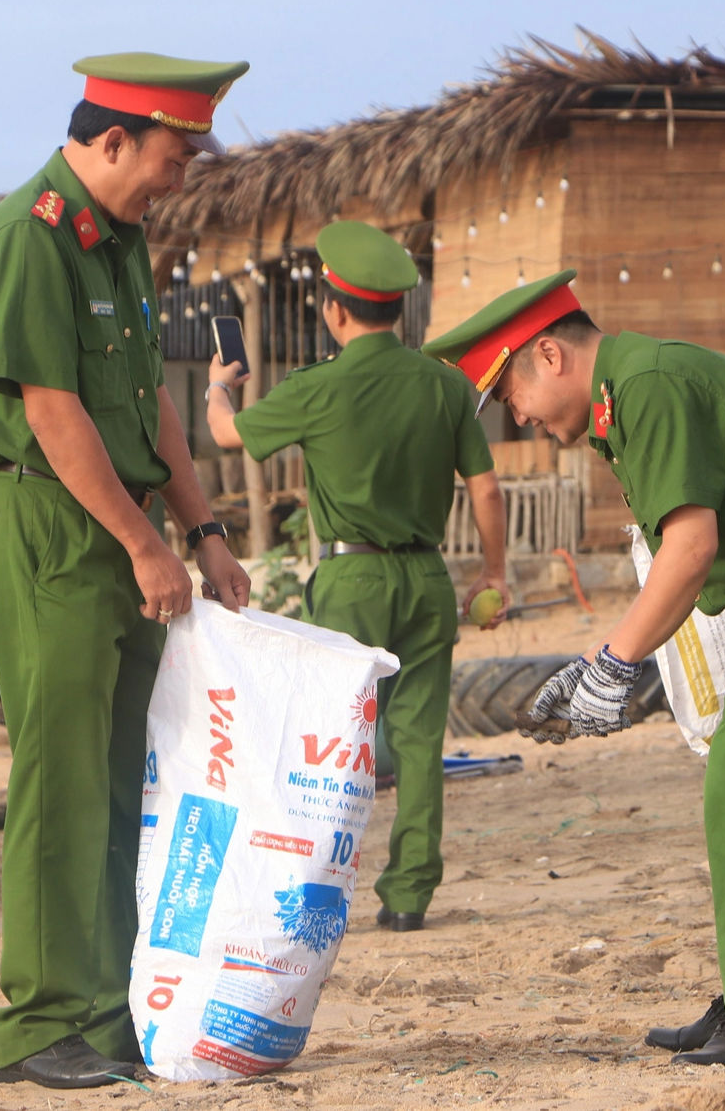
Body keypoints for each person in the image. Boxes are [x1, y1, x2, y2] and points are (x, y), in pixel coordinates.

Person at [423, 272, 725, 1066]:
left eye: (508, 391)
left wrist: (611, 666)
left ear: (548, 354)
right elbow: (678, 561)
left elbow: (689, 552)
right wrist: (598, 661)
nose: (513, 414)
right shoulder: (635, 387)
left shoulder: (643, 384)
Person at [0, 52, 254, 1090]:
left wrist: (201, 528)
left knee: (123, 782)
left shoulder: (115, 243)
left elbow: (146, 402)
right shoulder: (28, 240)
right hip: (51, 527)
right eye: (170, 159)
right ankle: (39, 1023)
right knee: (61, 783)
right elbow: (51, 411)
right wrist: (140, 542)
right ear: (112, 140)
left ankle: (108, 1010)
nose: (176, 181)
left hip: (120, 528)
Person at [206, 220, 510, 932]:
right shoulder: (444, 385)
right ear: (399, 311)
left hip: (350, 582)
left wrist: (221, 388)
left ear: (334, 311)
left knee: (332, 743)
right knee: (418, 740)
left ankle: (316, 885)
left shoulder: (320, 386)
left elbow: (224, 435)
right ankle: (408, 896)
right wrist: (492, 571)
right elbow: (487, 489)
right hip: (429, 580)